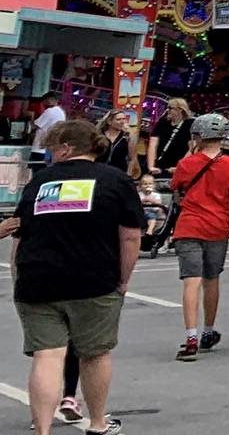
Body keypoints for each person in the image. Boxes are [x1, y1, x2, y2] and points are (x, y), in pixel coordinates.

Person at [10, 120, 141, 435]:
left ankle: (42, 429)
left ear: (66, 147)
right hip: (94, 279)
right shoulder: (116, 181)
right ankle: (97, 423)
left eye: (54, 148)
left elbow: (19, 233)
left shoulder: (39, 183)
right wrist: (123, 279)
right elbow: (131, 237)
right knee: (95, 354)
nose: (51, 154)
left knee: (47, 356)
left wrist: (18, 275)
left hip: (37, 279)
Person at [166, 115, 229, 362]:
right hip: (217, 227)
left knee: (191, 281)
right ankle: (208, 330)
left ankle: (190, 336)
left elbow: (176, 188)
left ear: (198, 137)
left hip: (189, 226)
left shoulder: (187, 164)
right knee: (212, 280)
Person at [141, 100, 194, 185]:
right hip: (159, 164)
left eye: (170, 108)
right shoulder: (163, 122)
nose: (167, 110)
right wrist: (151, 166)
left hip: (177, 165)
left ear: (180, 109)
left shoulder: (190, 124)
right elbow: (153, 144)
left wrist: (180, 167)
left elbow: (192, 149)